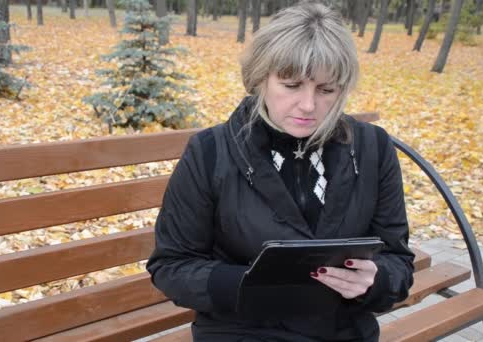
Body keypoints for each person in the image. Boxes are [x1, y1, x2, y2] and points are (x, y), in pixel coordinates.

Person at [146, 3, 414, 341]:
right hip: (242, 330)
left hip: (342, 330)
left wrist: (375, 280)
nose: (308, 105)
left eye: (326, 90)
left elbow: (398, 261)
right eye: (291, 85)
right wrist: (251, 286)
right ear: (261, 79)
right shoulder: (210, 152)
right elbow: (172, 265)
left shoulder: (371, 148)